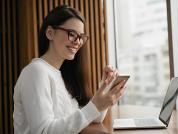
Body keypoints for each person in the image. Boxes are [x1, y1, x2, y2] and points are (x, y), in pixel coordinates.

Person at [13, 5, 126, 134]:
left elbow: (93, 118)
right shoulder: (36, 72)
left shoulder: (60, 74)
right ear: (50, 33)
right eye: (72, 34)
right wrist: (95, 106)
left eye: (81, 37)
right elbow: (44, 131)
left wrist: (106, 87)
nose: (78, 42)